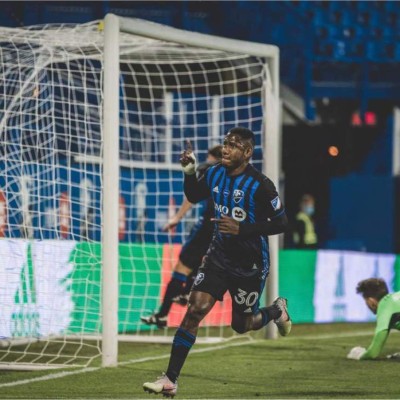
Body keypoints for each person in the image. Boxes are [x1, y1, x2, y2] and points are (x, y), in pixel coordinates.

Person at [143, 127, 291, 397]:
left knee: (242, 325)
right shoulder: (214, 173)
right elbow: (194, 195)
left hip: (250, 264)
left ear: (247, 152)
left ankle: (276, 311)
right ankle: (170, 379)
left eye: (234, 145)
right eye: (225, 143)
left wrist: (242, 229)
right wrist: (189, 172)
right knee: (195, 309)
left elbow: (282, 223)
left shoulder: (261, 184)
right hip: (218, 256)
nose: (226, 148)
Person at [140, 145, 223, 328]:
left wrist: (176, 218)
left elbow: (191, 197)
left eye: (209, 157)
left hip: (208, 226)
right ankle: (180, 297)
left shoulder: (210, 170)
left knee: (182, 267)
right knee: (201, 263)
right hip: (223, 229)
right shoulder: (234, 175)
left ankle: (167, 310)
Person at [347, 278, 400, 361]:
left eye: (366, 301)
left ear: (371, 301)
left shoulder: (385, 307)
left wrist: (358, 354)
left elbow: (373, 353)